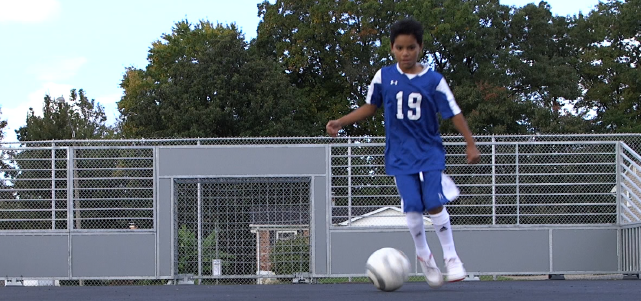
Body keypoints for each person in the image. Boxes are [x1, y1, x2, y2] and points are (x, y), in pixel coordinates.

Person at [326, 18, 481, 288]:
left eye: (411, 47)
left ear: (420, 47)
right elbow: (369, 107)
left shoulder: (433, 80)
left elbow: (454, 112)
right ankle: (424, 255)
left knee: (432, 201)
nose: (405, 53)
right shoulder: (384, 77)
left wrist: (470, 142)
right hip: (399, 154)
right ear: (392, 48)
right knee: (411, 205)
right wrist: (341, 121)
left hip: (429, 151)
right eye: (400, 48)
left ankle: (452, 257)